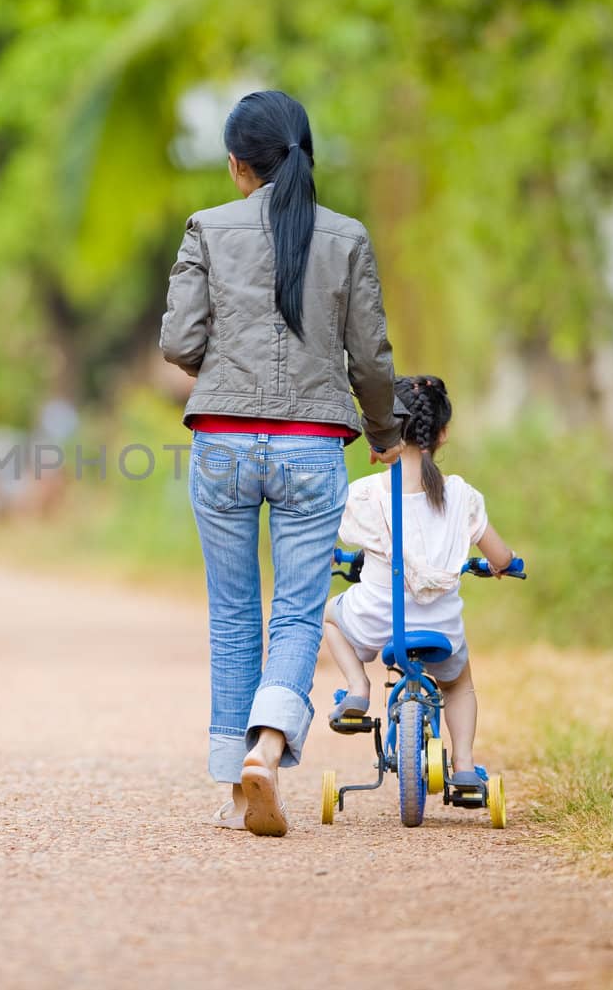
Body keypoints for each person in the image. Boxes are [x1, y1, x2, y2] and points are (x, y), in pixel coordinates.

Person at [159, 89, 403, 837]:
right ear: (305, 157)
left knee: (233, 615)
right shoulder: (349, 236)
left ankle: (239, 784)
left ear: (238, 165)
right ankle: (268, 748)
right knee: (296, 611)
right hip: (312, 444)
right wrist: (384, 430)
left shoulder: (207, 227)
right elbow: (370, 357)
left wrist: (224, 365)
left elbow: (178, 341)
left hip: (223, 443)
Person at [323, 375, 516, 789]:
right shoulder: (462, 496)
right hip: (440, 629)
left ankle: (357, 686)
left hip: (377, 619)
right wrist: (507, 564)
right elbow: (499, 556)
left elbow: (334, 539)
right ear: (442, 433)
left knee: (328, 617)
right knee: (459, 684)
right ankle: (463, 764)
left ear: (385, 431)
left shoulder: (366, 495)